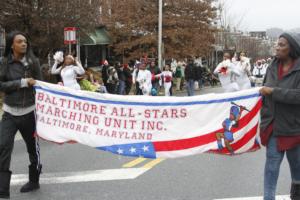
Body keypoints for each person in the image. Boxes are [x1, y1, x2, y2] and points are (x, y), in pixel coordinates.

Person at [0, 31, 43, 198]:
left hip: (29, 113)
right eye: (19, 41)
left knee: (33, 149)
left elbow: (41, 85)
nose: (23, 44)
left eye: (25, 41)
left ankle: (34, 181)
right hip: (10, 113)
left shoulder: (33, 62)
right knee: (3, 146)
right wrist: (22, 82)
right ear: (12, 44)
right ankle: (3, 190)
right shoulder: (4, 62)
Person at [259, 32, 300, 200]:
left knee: (297, 170)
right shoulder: (271, 66)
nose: (277, 47)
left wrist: (274, 92)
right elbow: (264, 91)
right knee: (271, 170)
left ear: (292, 49)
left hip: (294, 129)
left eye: (282, 44)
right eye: (277, 43)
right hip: (273, 127)